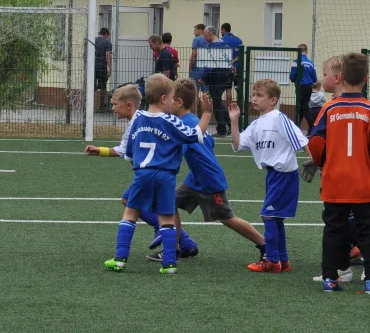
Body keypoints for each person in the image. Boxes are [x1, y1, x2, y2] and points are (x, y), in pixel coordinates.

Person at [146, 79, 267, 263]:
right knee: (169, 204)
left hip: (209, 179)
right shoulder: (194, 121)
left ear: (179, 102)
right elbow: (211, 142)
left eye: (170, 99)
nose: (167, 103)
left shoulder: (186, 124)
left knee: (227, 218)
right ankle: (176, 249)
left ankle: (265, 245)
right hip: (195, 178)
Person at [309, 52, 370, 294]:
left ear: (342, 77)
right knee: (368, 230)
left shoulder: (329, 108)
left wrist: (321, 163)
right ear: (366, 78)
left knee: (333, 229)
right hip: (364, 181)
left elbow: (316, 142)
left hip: (335, 181)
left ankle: (330, 278)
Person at [103, 73, 205, 274]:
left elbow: (130, 150)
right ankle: (169, 264)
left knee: (130, 214)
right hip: (166, 176)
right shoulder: (170, 121)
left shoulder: (138, 119)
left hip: (143, 173)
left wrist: (136, 160)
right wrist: (207, 114)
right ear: (165, 98)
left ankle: (120, 259)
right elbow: (195, 136)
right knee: (167, 219)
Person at [229, 79, 309, 273]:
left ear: (273, 100)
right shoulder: (256, 124)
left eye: (259, 96)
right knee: (276, 217)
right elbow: (238, 145)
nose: (254, 99)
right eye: (253, 95)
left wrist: (315, 160)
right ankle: (283, 260)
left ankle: (272, 260)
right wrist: (234, 120)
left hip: (284, 174)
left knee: (269, 215)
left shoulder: (279, 118)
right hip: (273, 175)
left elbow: (300, 139)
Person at [202, 26, 232, 137]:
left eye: (205, 36)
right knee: (217, 102)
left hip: (215, 76)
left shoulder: (212, 47)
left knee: (216, 103)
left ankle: (223, 129)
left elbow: (209, 65)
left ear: (210, 34)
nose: (205, 39)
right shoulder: (225, 45)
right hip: (225, 75)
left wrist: (203, 77)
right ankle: (228, 126)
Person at [289, 44, 317, 132]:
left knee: (304, 107)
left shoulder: (296, 62)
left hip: (300, 86)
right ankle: (296, 127)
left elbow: (292, 76)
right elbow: (315, 78)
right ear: (307, 51)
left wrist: (295, 80)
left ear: (298, 51)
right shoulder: (311, 63)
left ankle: (313, 127)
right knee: (301, 107)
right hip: (308, 87)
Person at [220, 23, 243, 105]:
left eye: (221, 30)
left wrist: (230, 62)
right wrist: (234, 60)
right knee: (239, 90)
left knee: (228, 89)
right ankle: (240, 110)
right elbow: (241, 54)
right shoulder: (238, 40)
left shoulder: (222, 40)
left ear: (223, 30)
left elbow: (221, 55)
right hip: (238, 67)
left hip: (227, 68)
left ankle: (229, 109)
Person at [94, 27, 112, 110]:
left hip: (92, 68)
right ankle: (102, 106)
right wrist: (109, 68)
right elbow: (108, 56)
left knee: (92, 86)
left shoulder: (93, 40)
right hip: (102, 67)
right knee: (103, 87)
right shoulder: (107, 43)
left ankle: (89, 105)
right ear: (106, 34)